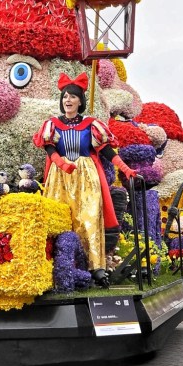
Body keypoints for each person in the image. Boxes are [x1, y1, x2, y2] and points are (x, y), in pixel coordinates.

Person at [32, 72, 136, 286]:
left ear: (80, 101)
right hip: (60, 177)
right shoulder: (51, 124)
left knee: (89, 218)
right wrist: (61, 163)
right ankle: (57, 267)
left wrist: (126, 169)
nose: (67, 100)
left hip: (86, 175)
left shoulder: (92, 124)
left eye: (72, 96)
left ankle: (95, 267)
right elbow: (49, 149)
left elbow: (106, 150)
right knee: (60, 218)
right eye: (64, 97)